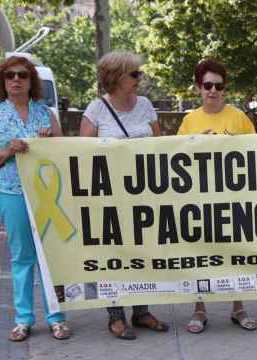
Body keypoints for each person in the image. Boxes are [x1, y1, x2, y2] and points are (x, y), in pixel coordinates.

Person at [0, 56, 70, 342]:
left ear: (31, 81)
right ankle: (23, 319)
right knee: (22, 257)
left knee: (50, 257)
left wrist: (50, 143)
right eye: (9, 76)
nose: (16, 80)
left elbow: (64, 154)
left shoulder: (46, 113)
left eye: (22, 75)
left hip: (46, 195)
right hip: (11, 192)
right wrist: (7, 151)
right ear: (3, 82)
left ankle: (57, 318)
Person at [79, 51, 167, 340]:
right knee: (113, 255)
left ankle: (141, 310)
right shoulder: (96, 109)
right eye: (134, 74)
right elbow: (81, 154)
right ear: (116, 76)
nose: (139, 78)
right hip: (110, 198)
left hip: (143, 196)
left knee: (142, 252)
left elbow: (160, 146)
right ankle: (115, 315)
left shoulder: (145, 105)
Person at [177, 59, 257, 333]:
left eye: (219, 86)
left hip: (235, 197)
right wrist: (197, 143)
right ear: (199, 87)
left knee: (236, 252)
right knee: (202, 253)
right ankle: (200, 310)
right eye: (208, 85)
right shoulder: (190, 120)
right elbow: (176, 157)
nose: (214, 90)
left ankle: (239, 307)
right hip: (200, 198)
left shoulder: (238, 117)